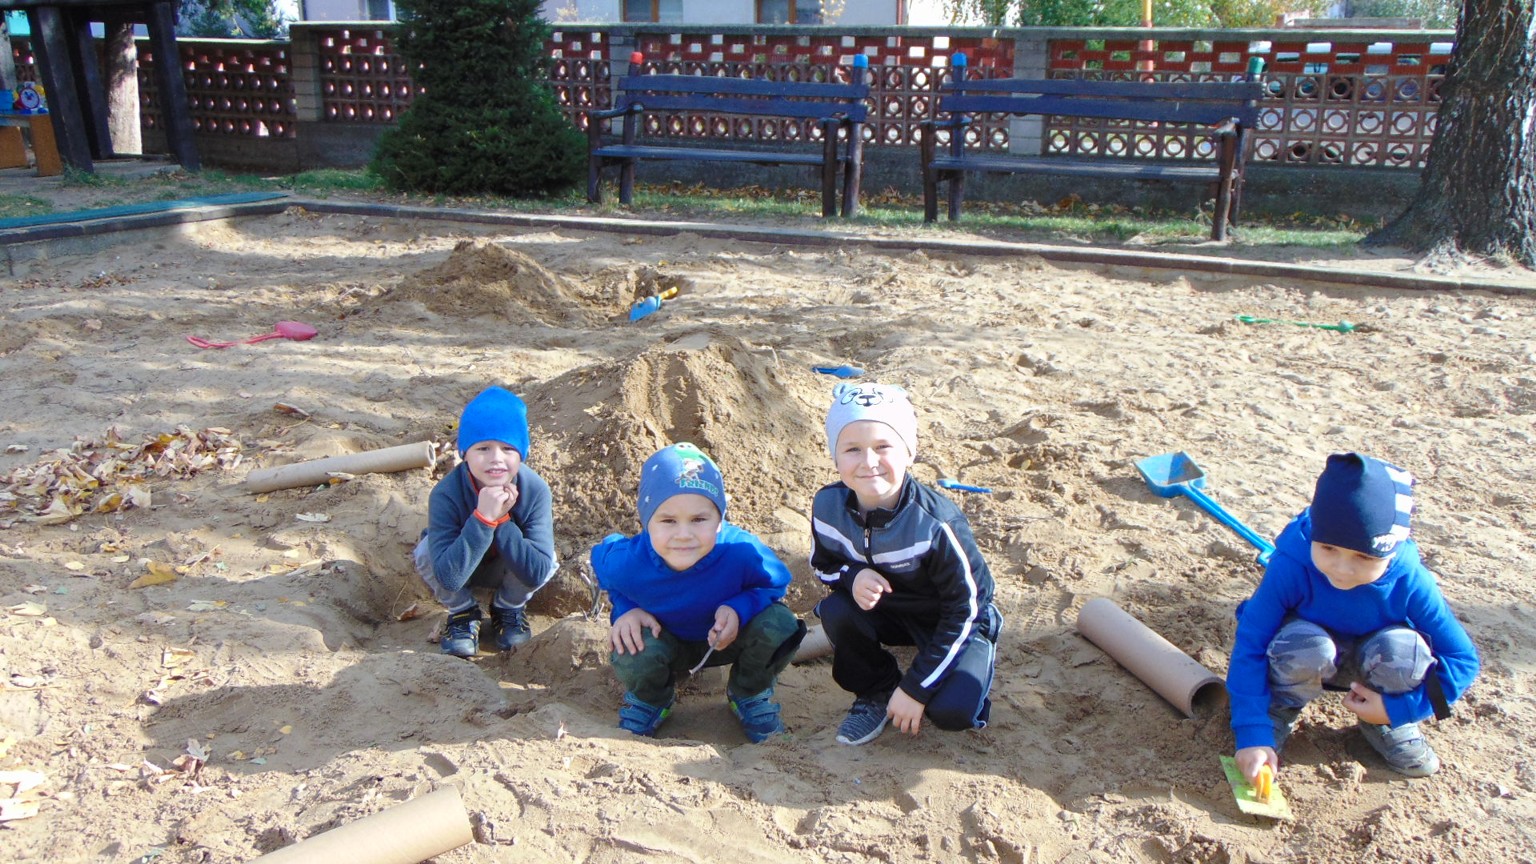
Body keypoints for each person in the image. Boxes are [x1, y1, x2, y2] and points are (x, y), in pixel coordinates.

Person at [1227, 452, 1480, 781]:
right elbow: (1250, 643)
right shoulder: (1291, 565)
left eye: (1364, 557)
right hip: (1303, 658)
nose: (1342, 568)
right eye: (1328, 548)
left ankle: (1386, 724)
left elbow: (1462, 659)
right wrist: (1251, 731)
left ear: (1391, 549)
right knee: (1307, 646)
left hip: (1376, 668)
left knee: (1406, 650)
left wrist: (1402, 708)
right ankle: (1279, 707)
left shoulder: (1411, 580)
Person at [811, 382, 1003, 746]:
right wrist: (852, 576)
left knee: (951, 711)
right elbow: (823, 565)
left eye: (883, 446)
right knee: (836, 610)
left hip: (948, 617)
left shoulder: (937, 523)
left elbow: (967, 608)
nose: (868, 462)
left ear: (909, 452)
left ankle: (976, 651)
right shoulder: (827, 506)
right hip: (889, 612)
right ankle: (876, 690)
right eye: (852, 449)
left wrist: (916, 688)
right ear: (835, 457)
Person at [591, 442, 806, 742]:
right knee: (629, 641)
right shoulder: (627, 561)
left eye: (699, 519)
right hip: (664, 641)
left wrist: (738, 608)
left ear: (719, 520)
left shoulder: (740, 551)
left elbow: (776, 582)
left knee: (780, 624)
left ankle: (748, 692)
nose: (684, 534)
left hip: (726, 640)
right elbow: (601, 564)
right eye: (668, 520)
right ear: (646, 522)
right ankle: (652, 698)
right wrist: (626, 609)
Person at [414, 386, 558, 657]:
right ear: (464, 453)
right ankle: (463, 612)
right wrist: (483, 518)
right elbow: (448, 577)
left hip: (508, 567)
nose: (496, 459)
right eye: (483, 448)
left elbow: (538, 571)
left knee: (548, 556)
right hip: (462, 568)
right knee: (425, 551)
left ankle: (508, 607)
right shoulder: (446, 494)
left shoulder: (535, 490)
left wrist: (501, 519)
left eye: (508, 448)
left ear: (522, 453)